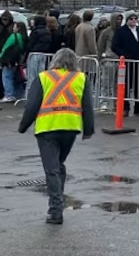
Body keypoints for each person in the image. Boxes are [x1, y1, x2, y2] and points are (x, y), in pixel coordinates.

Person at [17, 48, 95, 224]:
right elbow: (88, 106)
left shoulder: (43, 77)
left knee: (52, 169)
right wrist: (88, 129)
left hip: (47, 128)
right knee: (58, 165)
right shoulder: (81, 78)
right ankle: (58, 202)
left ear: (55, 60)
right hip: (70, 128)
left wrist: (23, 126)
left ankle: (55, 210)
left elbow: (32, 106)